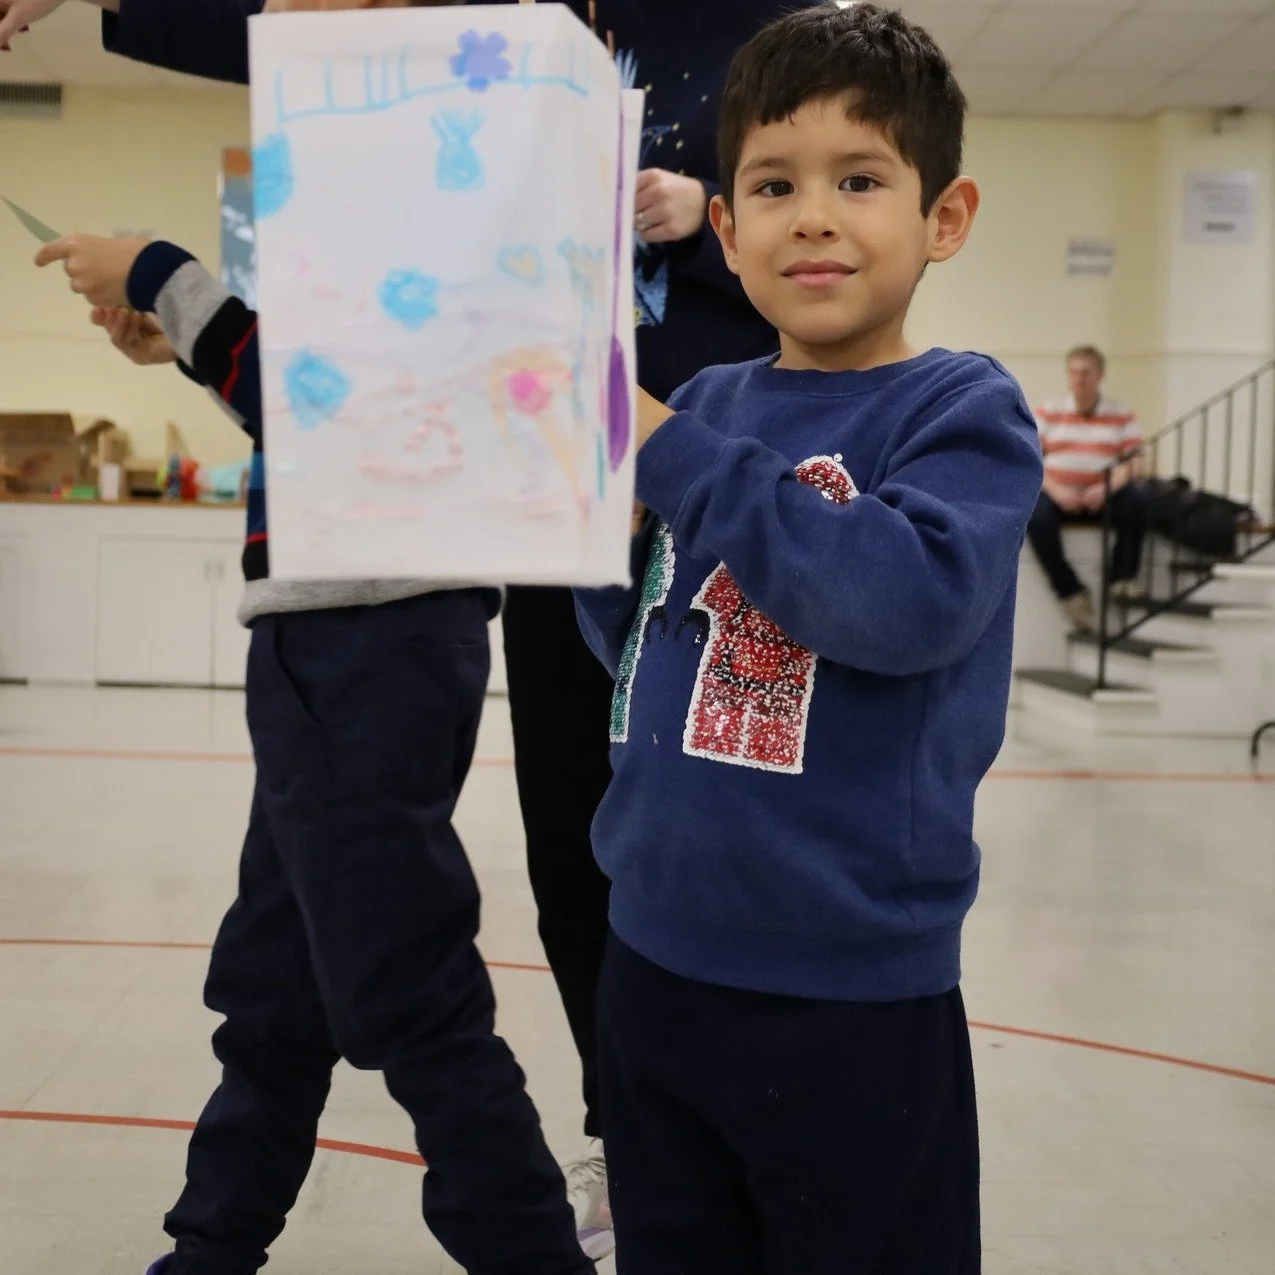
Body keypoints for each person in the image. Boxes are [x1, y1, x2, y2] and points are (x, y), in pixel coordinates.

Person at [31, 28, 594, 1275]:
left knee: (407, 991)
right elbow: (318, 398)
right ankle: (211, 1249)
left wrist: (168, 278)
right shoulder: (399, 186)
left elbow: (336, 405)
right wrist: (183, 332)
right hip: (346, 637)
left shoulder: (428, 179)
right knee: (277, 988)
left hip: (364, 639)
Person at [572, 5, 1043, 1272]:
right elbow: (640, 647)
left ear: (945, 217)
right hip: (652, 962)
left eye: (861, 180)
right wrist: (600, 544)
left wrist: (669, 454)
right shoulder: (710, 401)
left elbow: (895, 603)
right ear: (726, 230)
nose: (814, 217)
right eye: (774, 185)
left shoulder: (963, 410)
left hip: (851, 997)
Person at [1028, 345, 1148, 631]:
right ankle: (1069, 591)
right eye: (1073, 373)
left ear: (1099, 376)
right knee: (1035, 513)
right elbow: (1029, 461)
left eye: (1085, 373)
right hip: (1059, 493)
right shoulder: (1049, 411)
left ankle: (1122, 578)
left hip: (1103, 495)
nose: (1078, 379)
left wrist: (1107, 488)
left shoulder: (1121, 413)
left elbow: (1136, 462)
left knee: (1138, 498)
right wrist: (1057, 490)